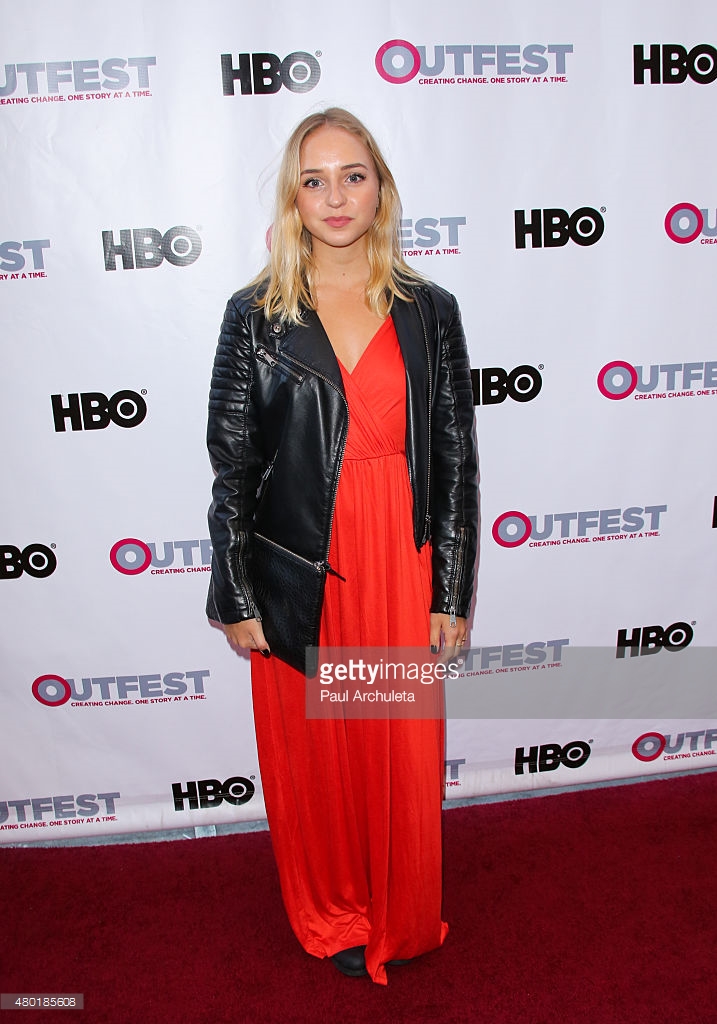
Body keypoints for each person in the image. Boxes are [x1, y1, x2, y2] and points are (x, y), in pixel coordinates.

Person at [206, 108, 478, 985]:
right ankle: (332, 913)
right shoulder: (254, 315)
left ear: (381, 189)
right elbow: (231, 467)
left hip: (397, 560)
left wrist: (451, 590)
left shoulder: (430, 311)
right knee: (319, 757)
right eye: (314, 179)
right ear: (293, 196)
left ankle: (398, 911)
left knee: (393, 750)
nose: (335, 196)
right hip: (300, 567)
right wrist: (237, 595)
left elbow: (456, 460)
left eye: (353, 175)